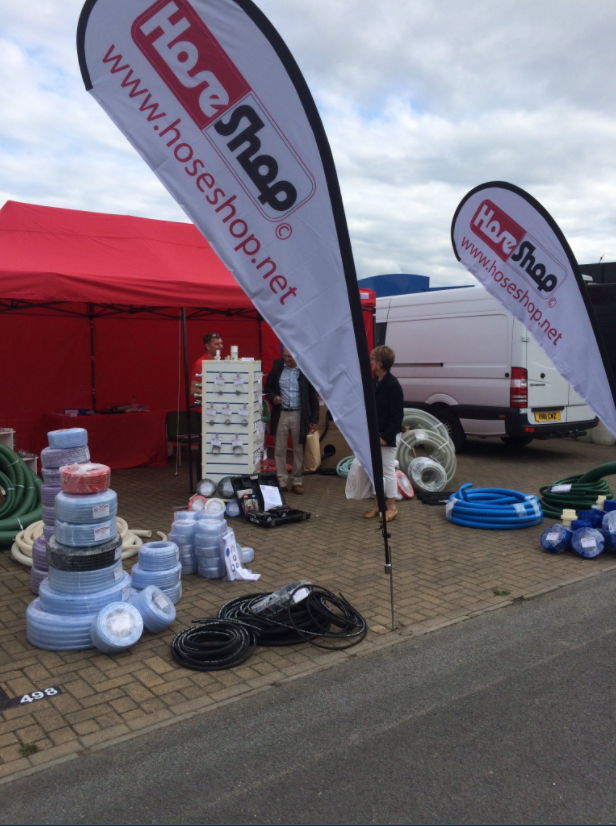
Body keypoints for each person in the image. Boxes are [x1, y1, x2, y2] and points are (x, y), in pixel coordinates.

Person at [265, 347, 319, 495]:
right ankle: (281, 481)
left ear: (297, 357)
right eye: (285, 356)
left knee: (298, 449)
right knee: (279, 449)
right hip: (281, 413)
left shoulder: (305, 371)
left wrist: (314, 418)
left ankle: (296, 481)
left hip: (299, 414)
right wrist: (273, 397)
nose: (286, 359)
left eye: (290, 357)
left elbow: (312, 396)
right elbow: (268, 387)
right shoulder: (277, 368)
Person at [364, 345, 403, 522]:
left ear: (380, 362)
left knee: (387, 471)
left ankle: (392, 507)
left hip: (386, 437)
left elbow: (397, 417)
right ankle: (377, 505)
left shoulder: (393, 385)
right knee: (375, 471)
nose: (370, 361)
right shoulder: (375, 382)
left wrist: (385, 437)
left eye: (372, 359)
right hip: (375, 435)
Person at [190, 333, 223, 401]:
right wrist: (214, 396)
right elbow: (194, 390)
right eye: (217, 344)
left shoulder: (220, 362)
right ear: (208, 346)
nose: (220, 346)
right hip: (205, 409)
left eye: (221, 343)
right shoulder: (200, 364)